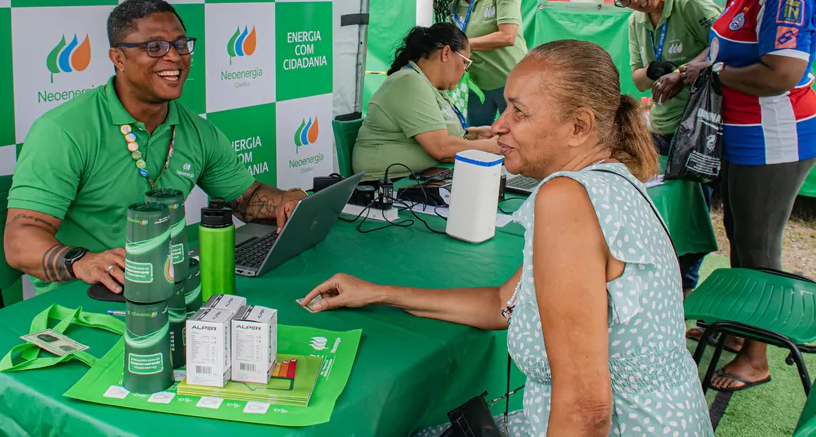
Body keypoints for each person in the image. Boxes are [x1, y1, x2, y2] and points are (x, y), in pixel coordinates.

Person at [303, 41, 714, 437]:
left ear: (579, 126)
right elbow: (505, 304)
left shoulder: (567, 198)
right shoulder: (613, 181)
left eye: (518, 111)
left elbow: (586, 411)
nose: (499, 124)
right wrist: (379, 293)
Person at [4, 0, 310, 295]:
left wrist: (288, 202)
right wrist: (83, 261)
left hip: (169, 289)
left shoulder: (198, 131)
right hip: (87, 299)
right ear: (118, 58)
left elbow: (247, 198)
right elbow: (19, 241)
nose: (175, 57)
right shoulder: (63, 131)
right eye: (155, 47)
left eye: (180, 44)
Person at [653, 0, 816, 392]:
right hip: (747, 136)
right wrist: (687, 71)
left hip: (778, 139)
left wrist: (716, 76)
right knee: (740, 232)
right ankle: (740, 329)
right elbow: (719, 50)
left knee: (758, 244)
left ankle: (757, 356)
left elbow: (781, 74)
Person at [597, 0, 720, 298]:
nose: (633, 0)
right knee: (653, 209)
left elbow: (724, 46)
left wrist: (681, 72)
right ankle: (657, 283)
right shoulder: (636, 22)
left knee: (692, 213)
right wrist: (655, 72)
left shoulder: (690, 3)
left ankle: (685, 289)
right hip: (660, 129)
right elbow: (637, 80)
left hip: (695, 128)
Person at [353, 23, 500, 181]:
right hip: (387, 185)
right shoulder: (409, 82)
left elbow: (439, 133)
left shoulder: (431, 87)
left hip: (418, 178)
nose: (465, 70)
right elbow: (441, 148)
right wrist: (493, 147)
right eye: (465, 62)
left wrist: (472, 134)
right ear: (446, 53)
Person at [428, 0, 527, 126]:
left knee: (517, 135)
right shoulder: (455, 7)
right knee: (476, 137)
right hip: (478, 86)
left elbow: (507, 36)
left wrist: (462, 45)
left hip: (512, 82)